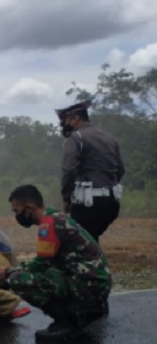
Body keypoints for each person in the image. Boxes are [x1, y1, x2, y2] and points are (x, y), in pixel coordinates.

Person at [0, 184, 112, 342]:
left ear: (29, 208)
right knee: (45, 274)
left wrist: (6, 272)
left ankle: (67, 323)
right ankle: (90, 309)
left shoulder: (49, 224)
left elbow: (40, 264)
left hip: (90, 286)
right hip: (97, 283)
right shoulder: (56, 217)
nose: (17, 216)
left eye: (16, 211)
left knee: (19, 280)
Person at [56, 100, 125, 243]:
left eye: (65, 121)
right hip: (111, 203)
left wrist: (66, 197)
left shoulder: (77, 137)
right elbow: (121, 170)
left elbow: (69, 170)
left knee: (81, 245)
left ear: (75, 118)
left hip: (88, 204)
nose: (64, 125)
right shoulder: (110, 138)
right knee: (91, 240)